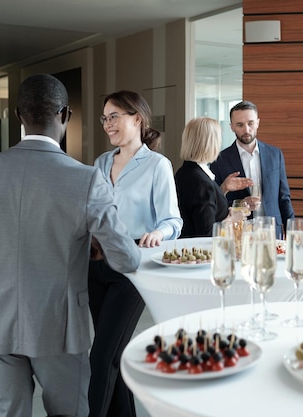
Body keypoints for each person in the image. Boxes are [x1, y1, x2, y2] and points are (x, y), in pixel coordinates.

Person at [0, 74, 141, 417]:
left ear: (18, 115)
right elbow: (126, 258)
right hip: (60, 325)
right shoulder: (86, 178)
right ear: (65, 114)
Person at [89, 90, 182, 417]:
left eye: (114, 116)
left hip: (131, 269)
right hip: (96, 266)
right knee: (114, 355)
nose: (108, 124)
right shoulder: (101, 163)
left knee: (100, 357)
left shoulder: (157, 165)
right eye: (105, 118)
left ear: (137, 118)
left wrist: (159, 232)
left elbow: (173, 220)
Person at [210, 100, 294, 231]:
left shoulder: (275, 154)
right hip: (238, 232)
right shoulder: (219, 160)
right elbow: (214, 204)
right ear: (231, 126)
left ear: (258, 123)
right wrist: (240, 204)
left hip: (272, 231)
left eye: (250, 123)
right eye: (240, 125)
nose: (246, 130)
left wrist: (293, 235)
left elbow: (284, 198)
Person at [175, 117, 230, 237]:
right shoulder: (200, 181)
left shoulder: (184, 172)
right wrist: (230, 221)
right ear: (211, 143)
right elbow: (206, 232)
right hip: (202, 251)